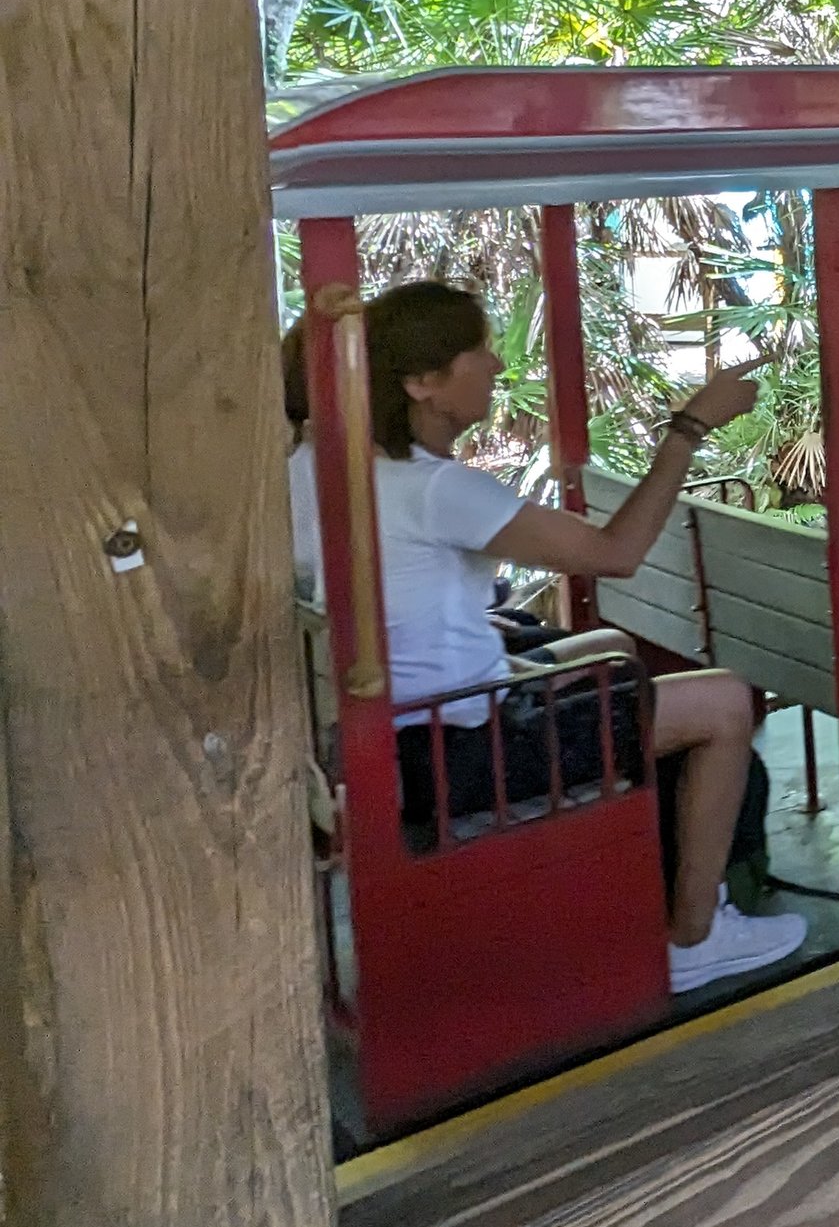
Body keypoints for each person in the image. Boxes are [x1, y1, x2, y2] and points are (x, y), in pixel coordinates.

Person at [298, 281, 806, 994]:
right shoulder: (437, 489)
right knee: (726, 703)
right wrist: (689, 427)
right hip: (460, 755)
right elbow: (615, 553)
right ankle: (696, 935)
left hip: (392, 736)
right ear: (421, 384)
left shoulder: (315, 472)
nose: (496, 366)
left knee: (610, 653)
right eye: (476, 351)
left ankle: (657, 877)